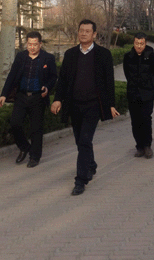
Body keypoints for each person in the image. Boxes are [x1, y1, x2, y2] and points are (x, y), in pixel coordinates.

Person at [50, 19, 120, 196]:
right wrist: (57, 99)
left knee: (84, 140)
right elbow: (63, 80)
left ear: (94, 34)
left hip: (93, 105)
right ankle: (91, 164)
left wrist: (111, 105)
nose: (83, 33)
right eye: (81, 30)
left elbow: (109, 82)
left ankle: (80, 180)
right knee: (80, 140)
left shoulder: (103, 54)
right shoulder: (70, 54)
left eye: (87, 31)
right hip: (74, 104)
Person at [0, 31, 58, 168]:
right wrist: (4, 94)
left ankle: (34, 157)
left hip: (38, 97)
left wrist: (47, 87)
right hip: (21, 96)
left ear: (40, 44)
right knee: (15, 123)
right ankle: (25, 147)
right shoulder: (21, 57)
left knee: (36, 128)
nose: (32, 47)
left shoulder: (48, 58)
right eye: (29, 44)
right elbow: (12, 75)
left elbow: (53, 77)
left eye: (35, 44)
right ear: (27, 44)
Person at [123, 33, 154, 159]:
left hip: (147, 93)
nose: (139, 46)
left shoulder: (152, 56)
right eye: (137, 43)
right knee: (135, 121)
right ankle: (139, 146)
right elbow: (127, 74)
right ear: (133, 43)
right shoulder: (128, 57)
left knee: (146, 119)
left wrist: (147, 83)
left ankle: (147, 146)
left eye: (142, 44)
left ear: (145, 43)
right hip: (133, 93)